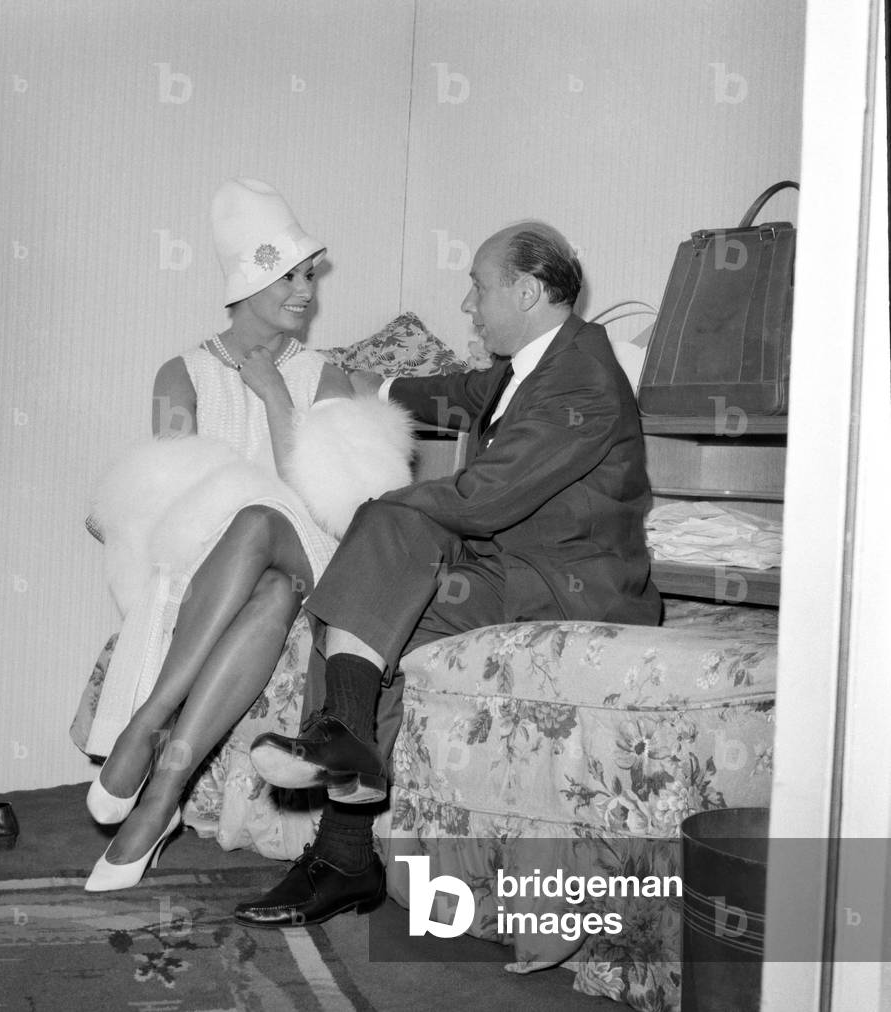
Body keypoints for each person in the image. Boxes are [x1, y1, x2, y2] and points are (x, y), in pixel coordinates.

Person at [235, 220, 662, 927]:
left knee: (385, 534)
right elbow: (457, 394)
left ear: (525, 291)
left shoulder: (580, 377)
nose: (467, 305)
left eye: (477, 288)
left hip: (570, 582)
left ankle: (340, 812)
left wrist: (382, 510)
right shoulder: (536, 361)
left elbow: (483, 497)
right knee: (360, 613)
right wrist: (348, 379)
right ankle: (345, 836)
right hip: (513, 565)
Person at [79, 178, 412, 891]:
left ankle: (147, 722)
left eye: (309, 277)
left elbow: (337, 510)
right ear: (247, 279)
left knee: (262, 521)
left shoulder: (324, 376)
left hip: (318, 557)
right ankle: (165, 789)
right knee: (264, 582)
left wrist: (273, 398)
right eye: (289, 277)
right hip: (231, 568)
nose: (306, 294)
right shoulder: (184, 373)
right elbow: (168, 501)